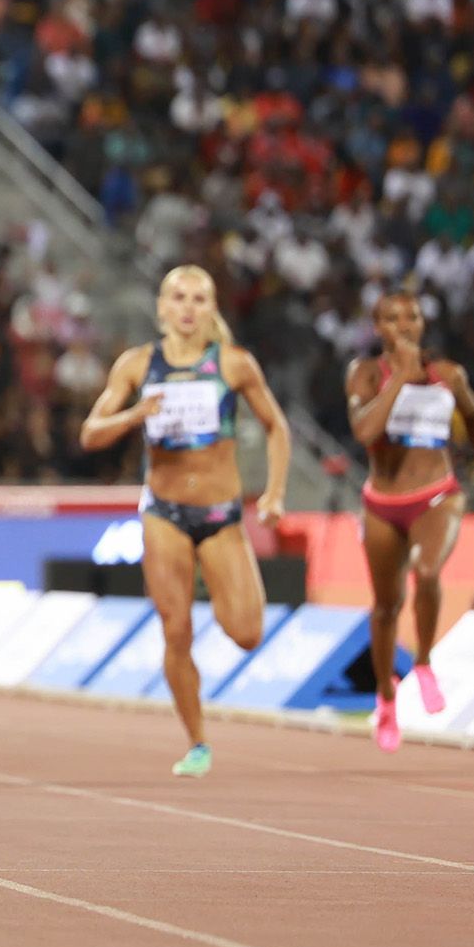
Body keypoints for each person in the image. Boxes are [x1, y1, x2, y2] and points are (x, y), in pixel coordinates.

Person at [80, 265, 291, 777]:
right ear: (162, 307)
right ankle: (197, 741)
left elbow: (276, 426)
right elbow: (90, 432)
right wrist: (134, 416)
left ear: (211, 308)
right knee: (176, 630)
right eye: (179, 297)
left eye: (200, 298)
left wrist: (276, 492)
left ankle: (221, 600)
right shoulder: (138, 365)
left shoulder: (233, 364)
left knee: (245, 631)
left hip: (220, 514)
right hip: (164, 513)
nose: (189, 307)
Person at [345, 287, 474, 753]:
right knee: (386, 606)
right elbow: (363, 432)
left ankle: (424, 663)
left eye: (412, 318)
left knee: (428, 569)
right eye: (393, 320)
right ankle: (386, 698)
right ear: (379, 328)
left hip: (437, 494)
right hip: (381, 501)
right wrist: (399, 379)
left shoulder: (449, 375)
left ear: (422, 324)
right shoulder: (367, 374)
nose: (405, 327)